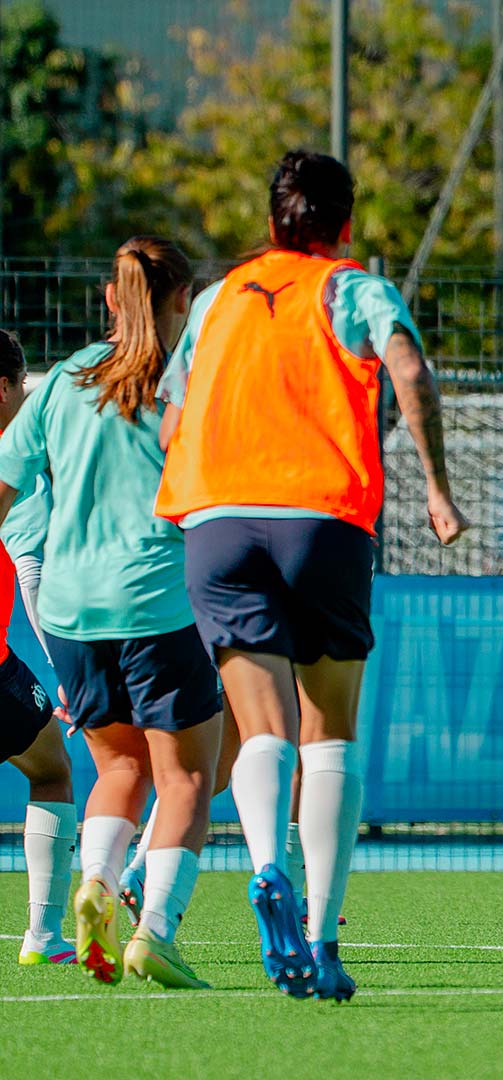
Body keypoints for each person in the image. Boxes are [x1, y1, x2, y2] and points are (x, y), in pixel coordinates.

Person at [154, 149, 467, 1000]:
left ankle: (266, 866)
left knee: (262, 728)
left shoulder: (216, 300)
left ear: (271, 223)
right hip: (319, 519)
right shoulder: (352, 289)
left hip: (217, 523)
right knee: (329, 731)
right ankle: (322, 938)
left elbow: (172, 419)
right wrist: (437, 487)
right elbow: (409, 369)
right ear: (346, 225)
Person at [0, 238, 226, 990]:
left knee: (118, 766)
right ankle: (155, 930)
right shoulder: (188, 382)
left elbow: (3, 487)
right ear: (183, 300)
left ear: (109, 298)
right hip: (157, 599)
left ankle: (95, 881)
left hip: (69, 610)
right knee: (186, 776)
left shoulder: (63, 381)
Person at [0, 330, 76, 968]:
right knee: (51, 770)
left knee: (48, 758)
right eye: (21, 386)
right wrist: (69, 667)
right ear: (3, 387)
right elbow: (33, 573)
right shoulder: (12, 458)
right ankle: (44, 935)